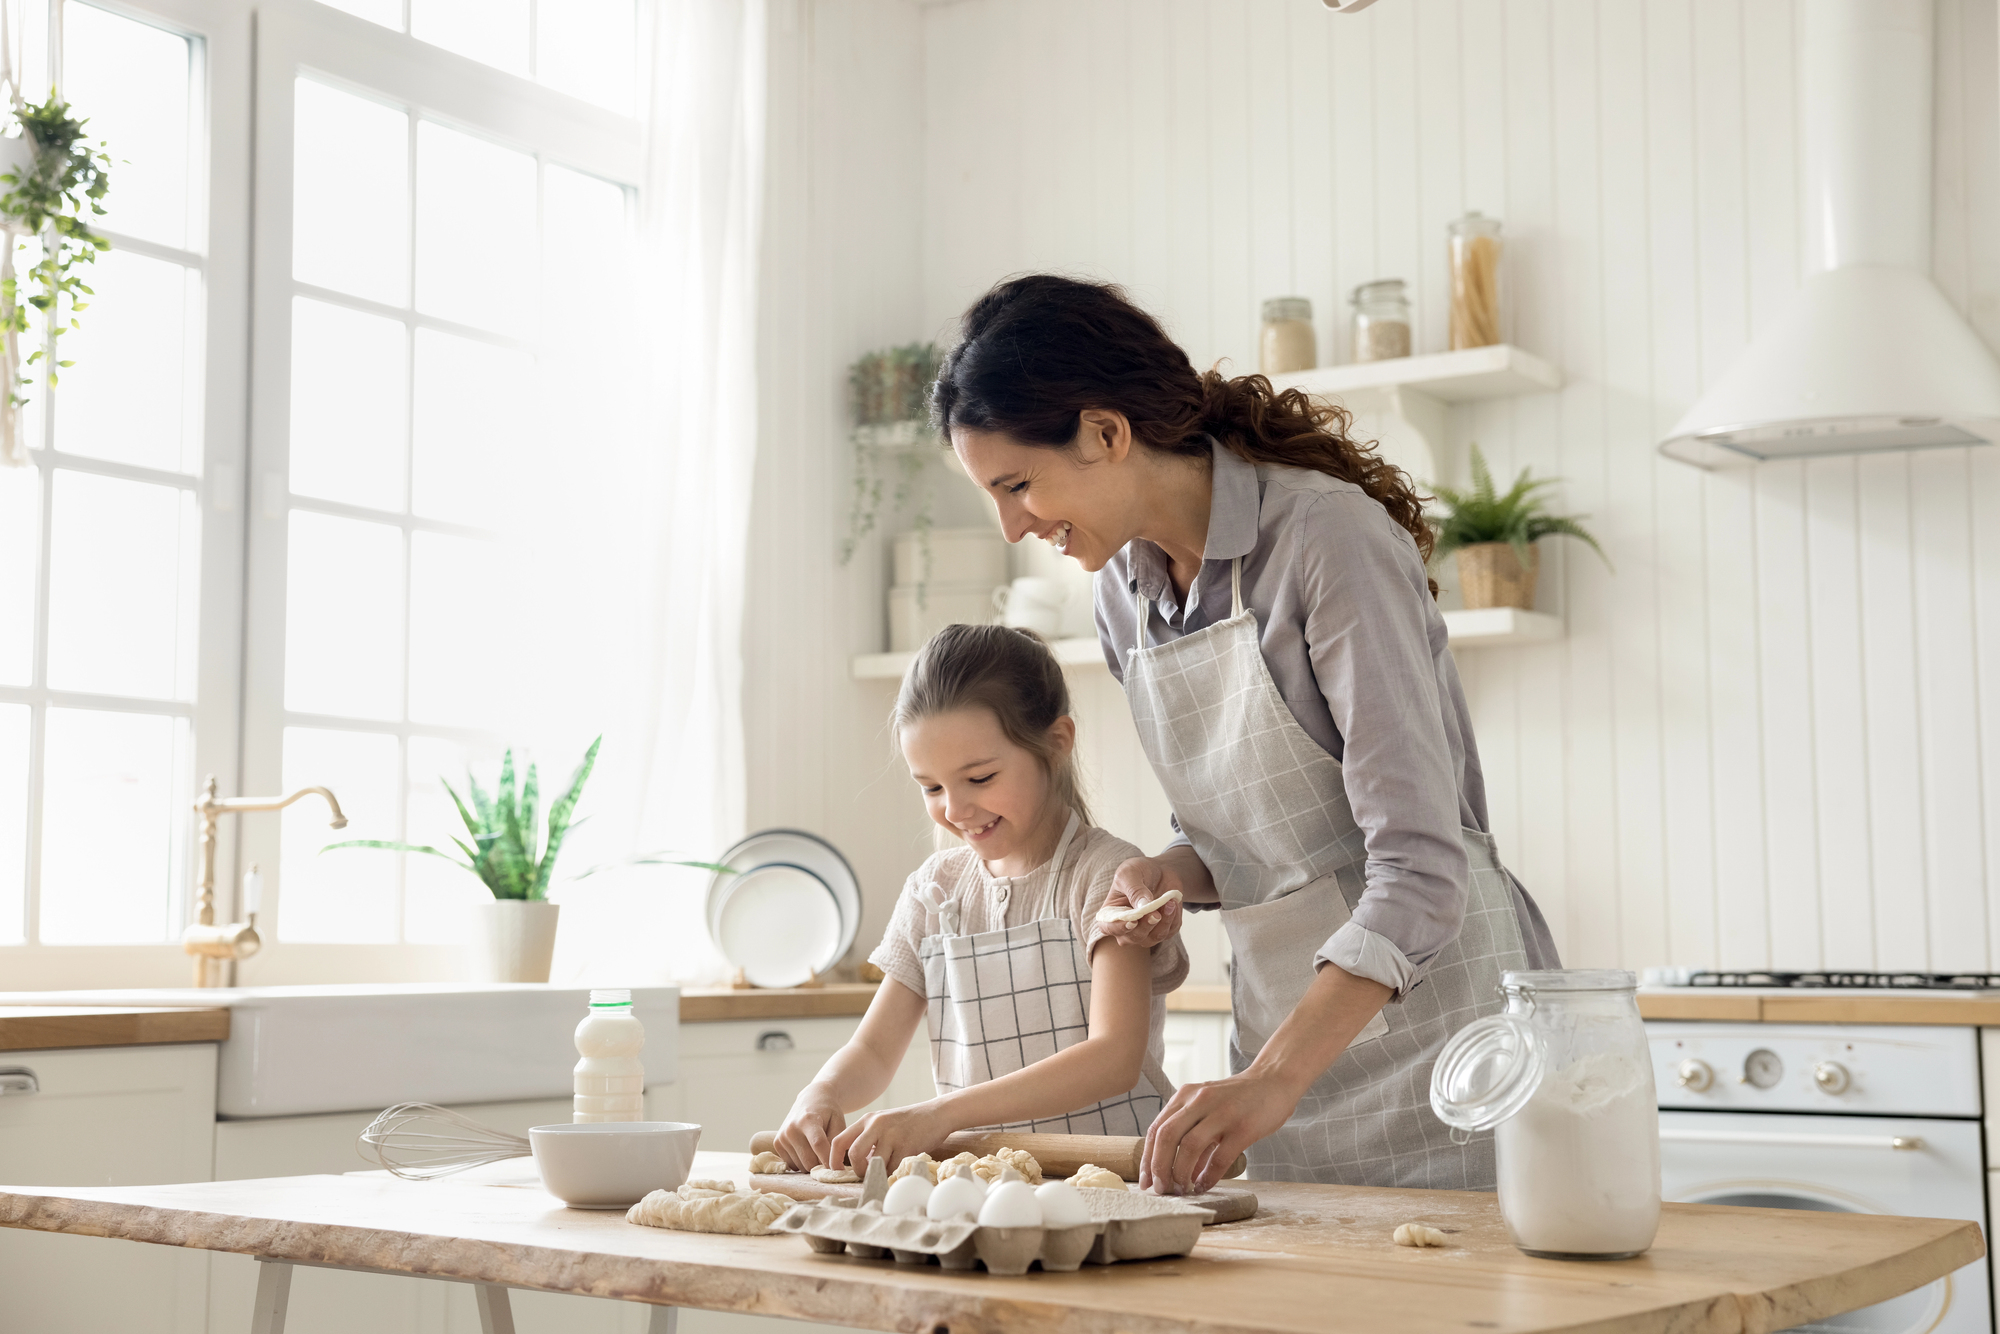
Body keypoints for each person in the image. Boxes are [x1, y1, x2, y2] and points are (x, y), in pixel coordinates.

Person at [930, 274, 1561, 1196]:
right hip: (1281, 1049)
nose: (1013, 524)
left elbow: (1422, 871)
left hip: (1450, 1044)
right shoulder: (1122, 597)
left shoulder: (1324, 540)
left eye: (1018, 485)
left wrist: (1269, 1081)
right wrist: (1171, 873)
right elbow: (1255, 838)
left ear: (1107, 432)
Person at [773, 622, 1188, 1173]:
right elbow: (873, 1052)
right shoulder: (933, 892)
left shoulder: (1104, 875)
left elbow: (1112, 1058)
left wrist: (939, 1115)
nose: (956, 809)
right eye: (932, 787)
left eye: (981, 777)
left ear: (1056, 744)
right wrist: (821, 1093)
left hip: (1111, 1181)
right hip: (984, 1187)